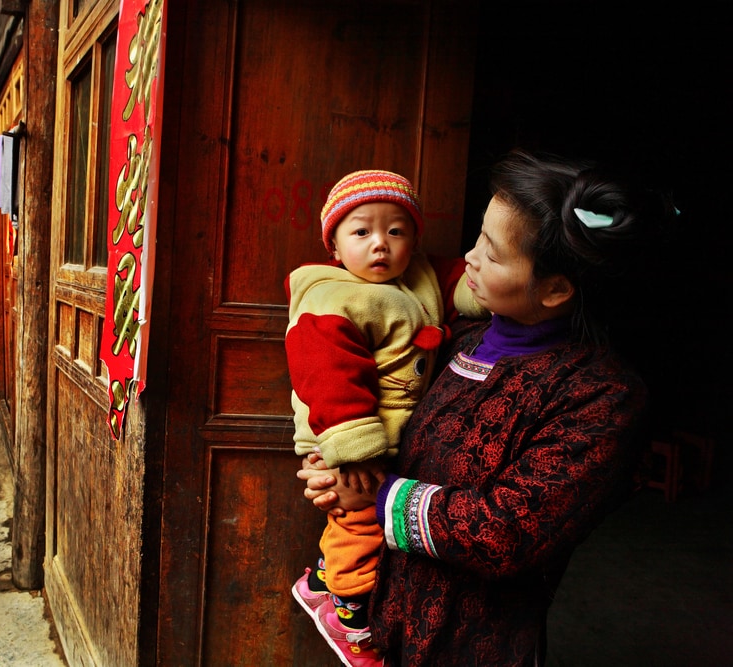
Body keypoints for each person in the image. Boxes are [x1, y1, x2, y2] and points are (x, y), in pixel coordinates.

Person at [297, 149, 671, 666]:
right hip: (386, 615)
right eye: (478, 238)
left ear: (557, 288)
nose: (468, 257)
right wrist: (339, 467)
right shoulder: (459, 337)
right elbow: (386, 414)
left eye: (492, 254)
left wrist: (375, 497)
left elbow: (508, 530)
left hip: (474, 642)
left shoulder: (600, 396)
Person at [284, 169, 485, 666]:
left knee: (360, 522)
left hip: (393, 433)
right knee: (362, 527)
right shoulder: (331, 297)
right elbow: (326, 376)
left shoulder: (419, 275)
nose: (380, 245)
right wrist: (356, 449)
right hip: (347, 437)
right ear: (335, 246)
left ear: (414, 240)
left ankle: (320, 583)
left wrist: (484, 289)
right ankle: (349, 620)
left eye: (396, 231)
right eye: (361, 232)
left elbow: (464, 283)